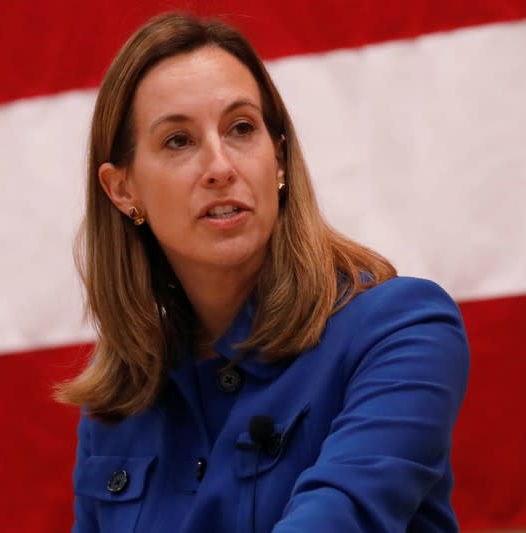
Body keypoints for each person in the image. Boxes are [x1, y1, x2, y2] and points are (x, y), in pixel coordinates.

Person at [56, 11, 470, 533]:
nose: (221, 166)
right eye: (179, 141)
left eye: (242, 129)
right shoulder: (117, 403)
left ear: (277, 159)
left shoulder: (401, 330)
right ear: (123, 190)